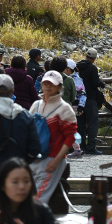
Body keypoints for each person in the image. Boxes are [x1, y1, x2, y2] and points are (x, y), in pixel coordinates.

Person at [29, 70, 77, 205]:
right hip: (33, 158)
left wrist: (56, 161)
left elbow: (70, 137)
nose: (48, 87)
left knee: (38, 200)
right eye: (45, 83)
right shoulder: (36, 105)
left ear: (60, 87)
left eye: (52, 84)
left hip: (52, 159)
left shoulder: (65, 109)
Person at [76, 48, 104, 156]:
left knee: (80, 124)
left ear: (86, 55)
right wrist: (102, 83)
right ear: (94, 58)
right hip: (90, 98)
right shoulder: (92, 68)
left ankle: (81, 146)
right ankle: (91, 147)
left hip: (79, 100)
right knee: (93, 123)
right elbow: (95, 82)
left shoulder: (77, 66)